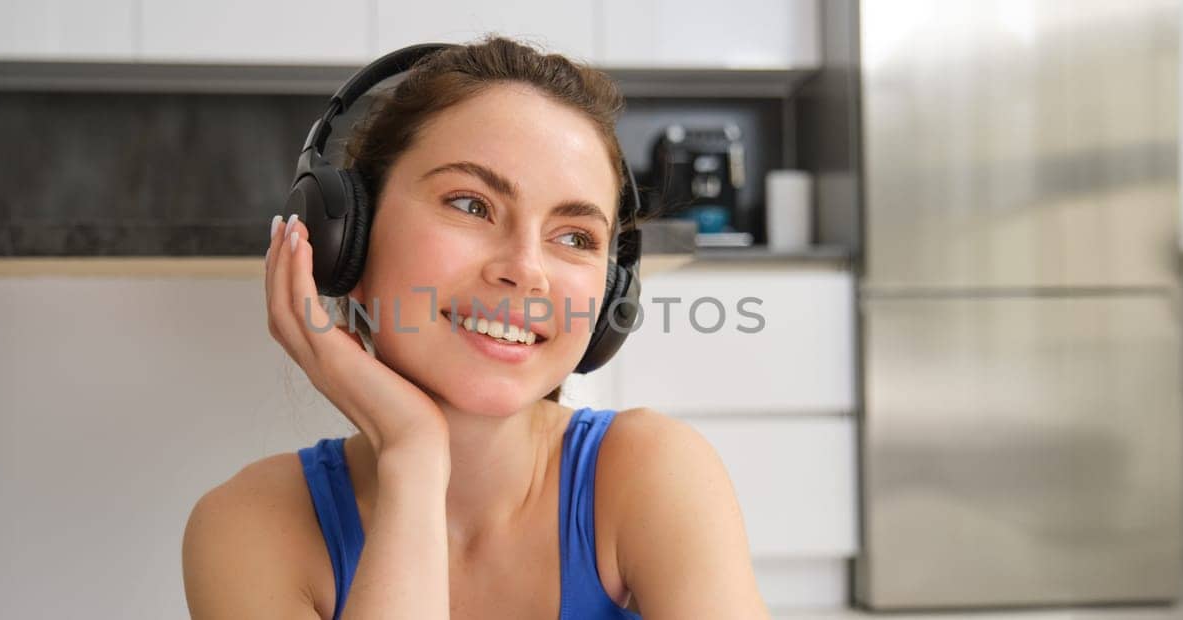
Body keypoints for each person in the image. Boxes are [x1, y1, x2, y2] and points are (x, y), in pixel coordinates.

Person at [182, 36, 768, 619]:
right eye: (470, 204)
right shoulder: (251, 525)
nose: (525, 270)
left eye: (574, 237)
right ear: (347, 241)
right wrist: (413, 461)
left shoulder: (655, 475)